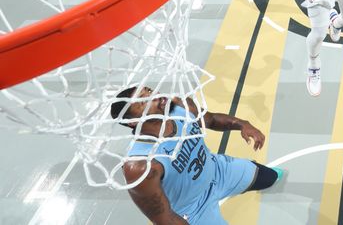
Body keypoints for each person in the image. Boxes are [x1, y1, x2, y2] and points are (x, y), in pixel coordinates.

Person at [112, 86, 284, 224]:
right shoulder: (140, 166)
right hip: (193, 210)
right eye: (144, 101)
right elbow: (164, 219)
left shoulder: (179, 106)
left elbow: (210, 120)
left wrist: (242, 124)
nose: (155, 95)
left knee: (269, 177)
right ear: (133, 122)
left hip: (218, 170)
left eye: (149, 90)